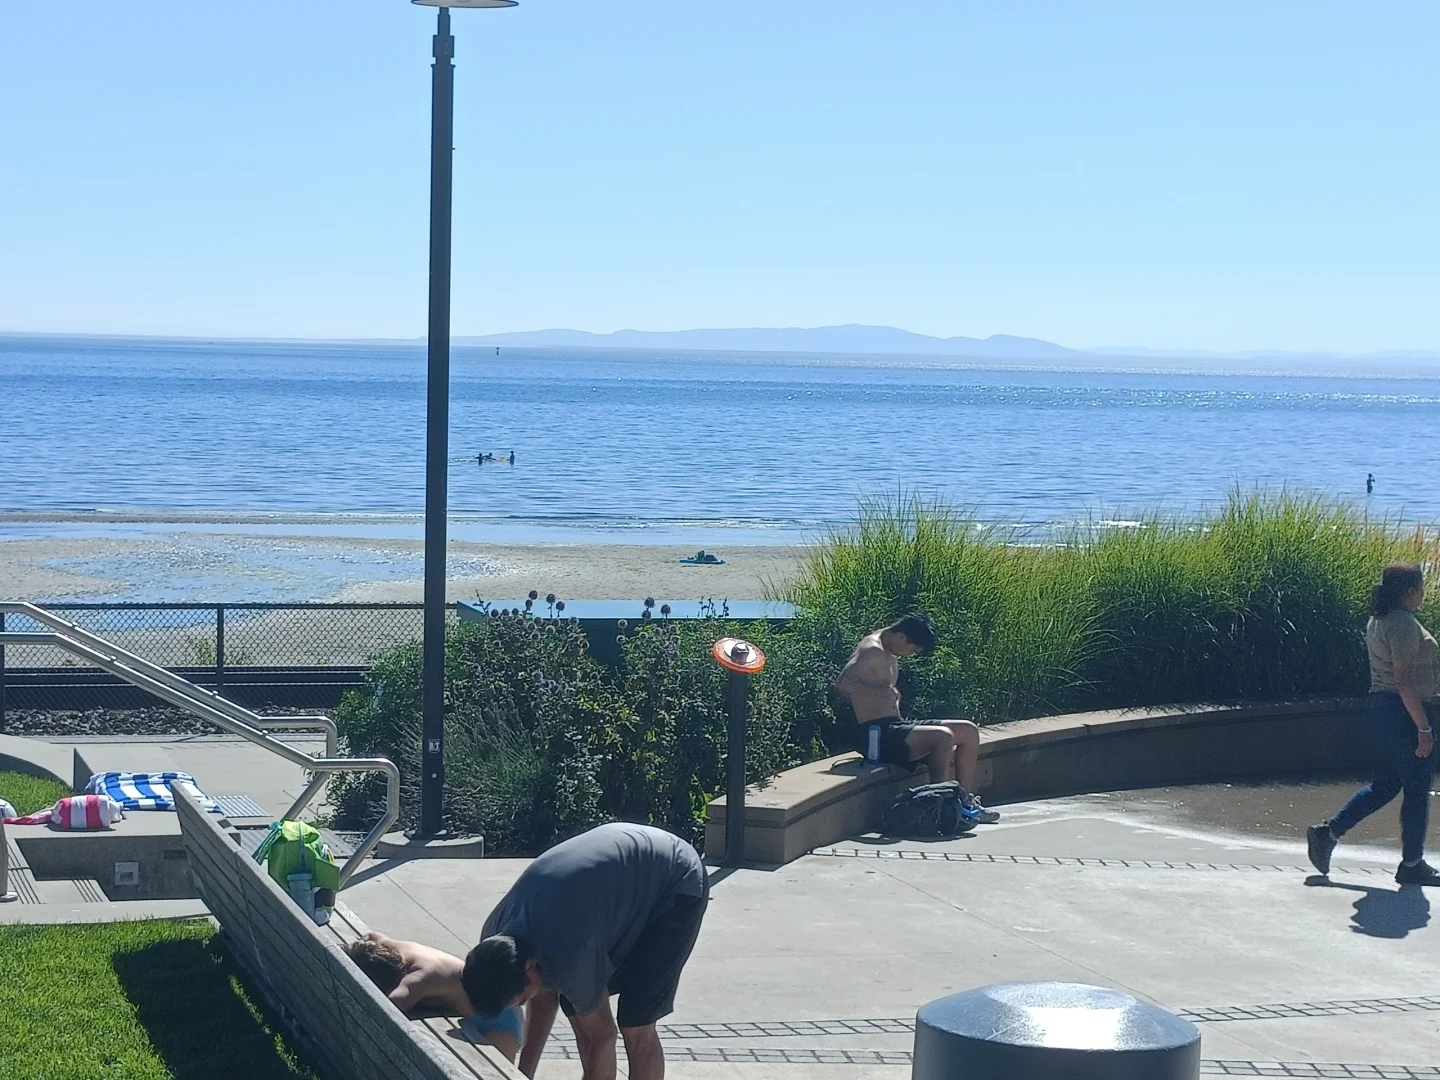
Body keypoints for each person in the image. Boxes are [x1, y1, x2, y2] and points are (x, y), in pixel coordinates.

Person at [461, 822, 709, 1080]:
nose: (524, 1003)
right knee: (578, 1009)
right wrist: (523, 1075)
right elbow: (544, 1000)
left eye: (521, 1000)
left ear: (530, 966)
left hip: (675, 880)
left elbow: (604, 1035)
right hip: (617, 878)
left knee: (636, 1024)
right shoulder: (495, 938)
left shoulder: (570, 957)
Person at [1308, 563, 1440, 885]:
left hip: (1386, 710)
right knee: (1417, 787)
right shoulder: (1402, 623)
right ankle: (1412, 864)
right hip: (1404, 712)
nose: (1423, 593)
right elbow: (1403, 681)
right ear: (1411, 591)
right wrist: (1424, 728)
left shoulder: (1380, 619)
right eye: (1421, 587)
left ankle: (1328, 833)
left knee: (1387, 784)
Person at [836, 612, 998, 823]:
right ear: (901, 637)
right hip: (876, 734)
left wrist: (888, 693)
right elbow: (843, 683)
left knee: (968, 731)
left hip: (896, 725)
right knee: (942, 737)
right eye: (911, 650)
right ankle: (941, 808)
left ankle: (963, 802)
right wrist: (880, 691)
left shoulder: (889, 648)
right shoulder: (872, 651)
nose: (910, 655)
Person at [343, 934, 524, 1061]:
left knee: (493, 1070)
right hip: (484, 1003)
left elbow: (391, 1006)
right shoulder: (392, 947)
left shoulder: (419, 978)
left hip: (497, 1014)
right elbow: (372, 936)